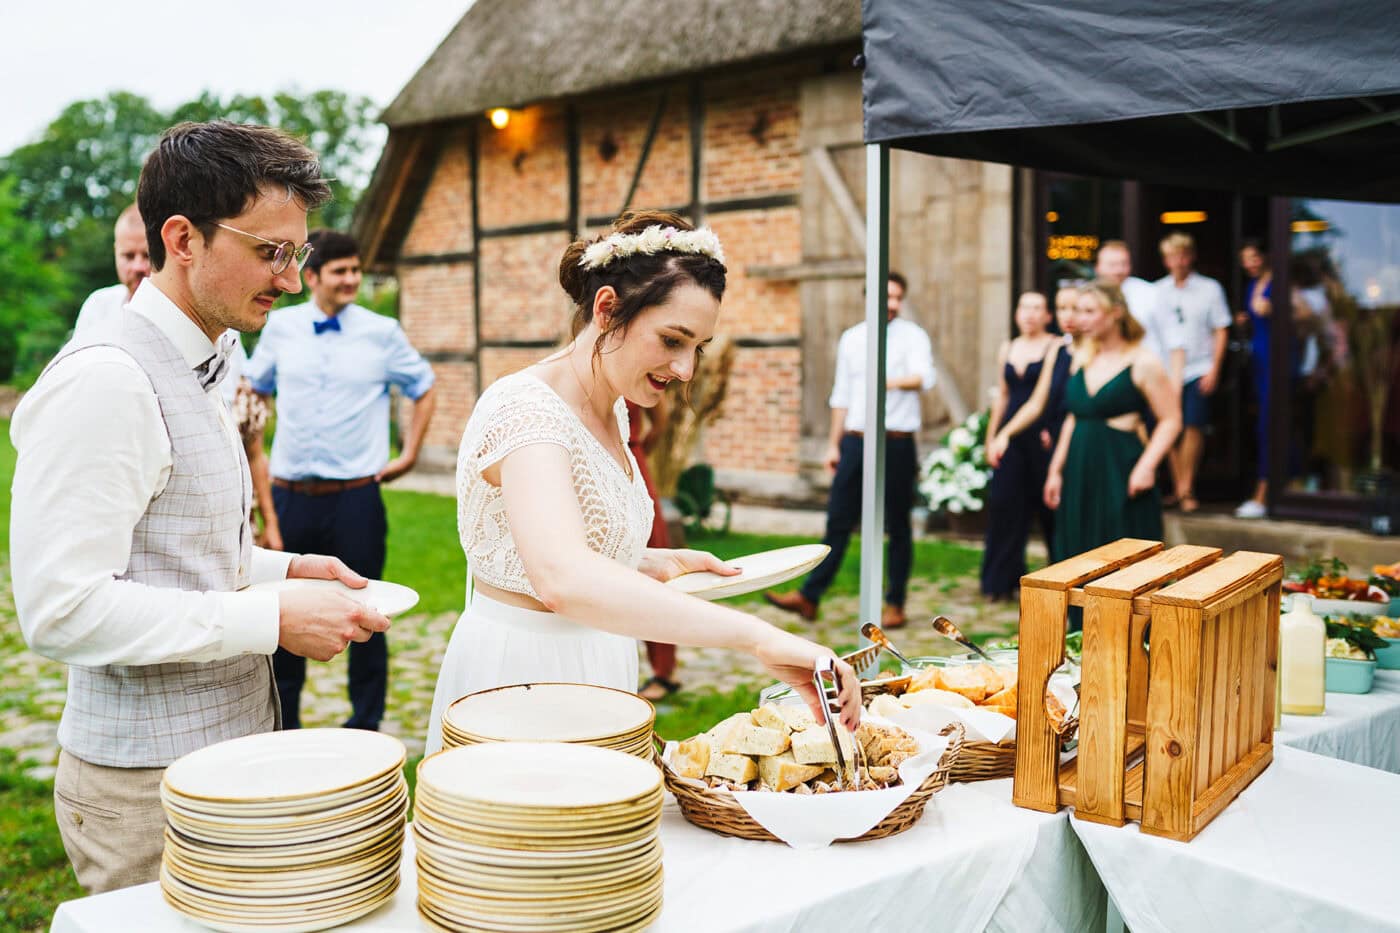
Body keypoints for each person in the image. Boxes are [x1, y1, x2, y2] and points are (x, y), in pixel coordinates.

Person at [9, 120, 390, 894]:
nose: (290, 281)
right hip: (143, 790)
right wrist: (270, 618)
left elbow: (172, 546)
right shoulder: (109, 379)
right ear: (182, 238)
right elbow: (59, 608)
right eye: (270, 252)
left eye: (298, 254)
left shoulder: (209, 354)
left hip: (229, 759)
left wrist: (285, 568)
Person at [425, 210, 860, 754]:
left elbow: (552, 541)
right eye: (672, 340)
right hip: (525, 672)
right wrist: (759, 637)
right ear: (607, 309)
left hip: (602, 653)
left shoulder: (617, 410)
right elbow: (561, 576)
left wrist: (649, 562)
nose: (685, 371)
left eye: (697, 348)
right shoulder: (526, 410)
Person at [246, 230, 437, 733]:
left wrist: (411, 453)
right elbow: (254, 392)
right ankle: (283, 726)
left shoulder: (382, 332)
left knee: (369, 611)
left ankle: (366, 725)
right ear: (312, 277)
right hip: (289, 497)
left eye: (356, 270)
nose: (352, 279)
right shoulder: (279, 327)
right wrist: (254, 459)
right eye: (341, 271)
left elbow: (424, 386)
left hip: (356, 498)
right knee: (281, 612)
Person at [765, 272, 936, 629]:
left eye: (897, 297)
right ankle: (810, 597)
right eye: (885, 296)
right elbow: (841, 395)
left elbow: (924, 377)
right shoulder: (852, 338)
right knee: (838, 520)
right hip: (856, 440)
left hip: (896, 443)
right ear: (869, 298)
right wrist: (833, 443)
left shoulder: (913, 336)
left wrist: (884, 380)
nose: (891, 303)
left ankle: (895, 603)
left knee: (898, 526)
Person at [1044, 281, 1181, 561]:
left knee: (1122, 553)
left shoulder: (1143, 361)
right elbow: (1074, 416)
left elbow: (1171, 419)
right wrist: (1056, 470)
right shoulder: (1081, 358)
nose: (1079, 319)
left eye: (1089, 311)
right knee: (1077, 553)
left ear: (1115, 313)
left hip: (1120, 465)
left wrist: (1146, 467)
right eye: (1078, 311)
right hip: (1079, 467)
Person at [979, 292, 1058, 599]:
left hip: (1040, 433)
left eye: (1038, 308)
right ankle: (1001, 579)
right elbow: (1002, 395)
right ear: (1016, 313)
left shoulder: (1054, 346)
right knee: (1004, 503)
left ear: (1047, 315)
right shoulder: (1008, 347)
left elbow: (1043, 396)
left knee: (1047, 509)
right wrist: (991, 437)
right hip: (1008, 435)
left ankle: (1057, 578)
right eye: (1025, 307)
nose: (1030, 314)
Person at [1154, 232, 1230, 513]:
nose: (1179, 261)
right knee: (1169, 427)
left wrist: (1215, 369)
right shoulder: (1157, 291)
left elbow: (1221, 329)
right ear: (1165, 260)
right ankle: (1179, 488)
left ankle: (1186, 488)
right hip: (1165, 369)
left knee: (1193, 425)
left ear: (1192, 256)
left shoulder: (1210, 289)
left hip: (1199, 367)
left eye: (1184, 254)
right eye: (1173, 256)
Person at [627, 396, 683, 701]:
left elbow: (659, 422)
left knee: (654, 566)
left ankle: (665, 670)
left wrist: (637, 452)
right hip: (593, 463)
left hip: (632, 459)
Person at [1095, 239, 1182, 379]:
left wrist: (1175, 387)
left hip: (1149, 377)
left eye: (1124, 264)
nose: (1119, 270)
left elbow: (1176, 342)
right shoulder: (1089, 298)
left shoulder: (1152, 293)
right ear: (1098, 267)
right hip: (1103, 378)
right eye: (1112, 265)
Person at [1235, 241, 1273, 519]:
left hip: (1276, 362)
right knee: (1260, 423)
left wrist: (1275, 310)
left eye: (1254, 257)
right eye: (1245, 259)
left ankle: (1265, 493)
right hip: (1258, 362)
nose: (1250, 263)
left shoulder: (1279, 284)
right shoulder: (1252, 285)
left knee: (1269, 426)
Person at [72, 204, 151, 336]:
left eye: (147, 255)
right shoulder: (97, 307)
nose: (138, 267)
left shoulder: (180, 313)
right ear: (116, 253)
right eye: (129, 256)